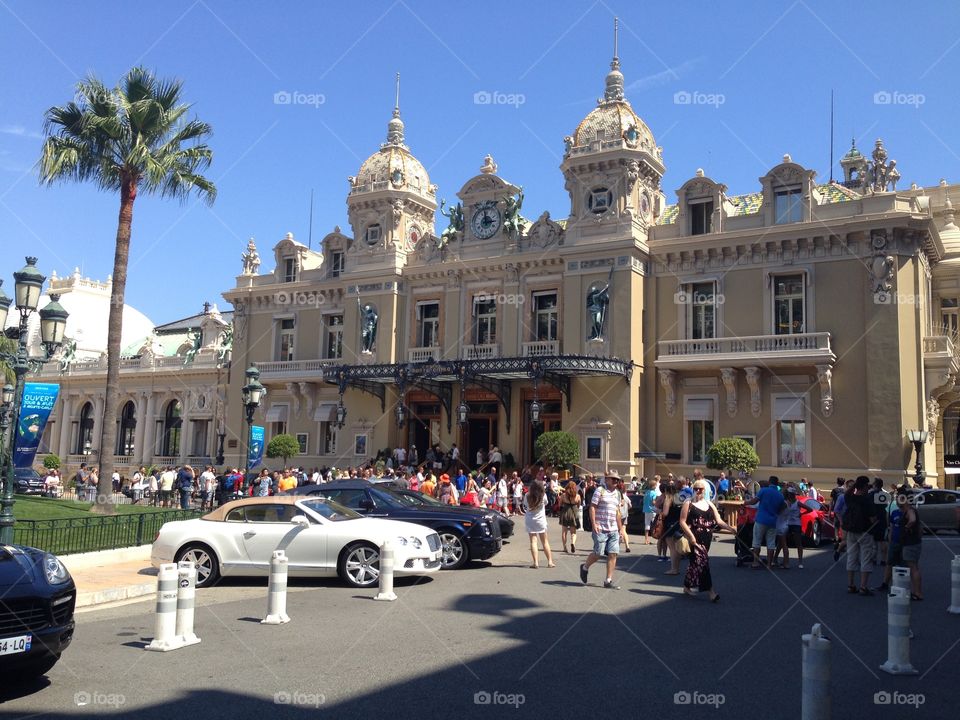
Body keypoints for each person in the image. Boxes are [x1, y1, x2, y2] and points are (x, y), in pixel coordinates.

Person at [679, 479, 736, 601]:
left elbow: (719, 520)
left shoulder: (709, 504)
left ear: (705, 490)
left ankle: (687, 586)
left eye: (701, 489)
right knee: (703, 563)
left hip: (707, 538)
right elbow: (682, 521)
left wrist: (730, 528)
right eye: (696, 489)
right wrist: (691, 536)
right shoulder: (688, 503)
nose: (698, 491)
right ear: (693, 490)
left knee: (695, 563)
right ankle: (711, 592)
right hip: (694, 537)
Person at [580, 471, 624, 589]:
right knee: (598, 553)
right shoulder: (600, 490)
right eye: (613, 479)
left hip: (613, 529)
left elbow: (618, 512)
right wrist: (594, 524)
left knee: (613, 554)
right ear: (607, 479)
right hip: (601, 527)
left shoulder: (618, 494)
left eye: (617, 480)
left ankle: (608, 580)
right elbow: (592, 507)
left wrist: (621, 529)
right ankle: (585, 567)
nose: (615, 481)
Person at [842, 475, 879, 595]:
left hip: (851, 531)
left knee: (851, 558)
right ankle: (863, 587)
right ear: (864, 487)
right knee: (865, 558)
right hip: (865, 532)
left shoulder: (850, 497)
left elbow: (847, 493)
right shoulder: (867, 500)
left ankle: (850, 585)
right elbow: (872, 519)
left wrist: (855, 484)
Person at [746, 477, 785, 569]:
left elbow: (754, 501)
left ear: (769, 482)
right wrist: (776, 513)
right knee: (771, 543)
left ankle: (755, 562)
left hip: (761, 519)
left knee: (757, 541)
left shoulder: (763, 490)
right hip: (773, 521)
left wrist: (745, 503)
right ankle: (769, 564)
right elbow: (783, 507)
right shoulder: (780, 495)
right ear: (777, 483)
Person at [523, 480, 555, 568]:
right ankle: (550, 562)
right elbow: (546, 503)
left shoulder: (527, 495)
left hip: (530, 519)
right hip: (541, 519)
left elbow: (525, 505)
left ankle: (536, 562)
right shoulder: (543, 495)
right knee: (545, 541)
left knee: (533, 541)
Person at [559, 481, 582, 553]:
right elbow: (579, 505)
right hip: (574, 513)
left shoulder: (563, 495)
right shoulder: (578, 496)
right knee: (573, 532)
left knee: (564, 531)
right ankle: (573, 543)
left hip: (565, 512)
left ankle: (564, 547)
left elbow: (560, 504)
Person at [642, 476, 661, 545]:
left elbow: (644, 500)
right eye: (655, 485)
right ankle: (657, 538)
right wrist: (657, 504)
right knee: (655, 525)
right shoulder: (654, 493)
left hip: (646, 510)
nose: (656, 487)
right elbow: (653, 502)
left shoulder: (646, 492)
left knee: (647, 525)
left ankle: (646, 540)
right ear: (653, 486)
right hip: (652, 510)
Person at [616, 478, 632, 553]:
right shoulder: (626, 497)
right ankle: (627, 546)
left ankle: (617, 547)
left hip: (618, 515)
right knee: (623, 530)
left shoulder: (617, 496)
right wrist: (627, 509)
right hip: (625, 515)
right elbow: (630, 506)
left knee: (618, 531)